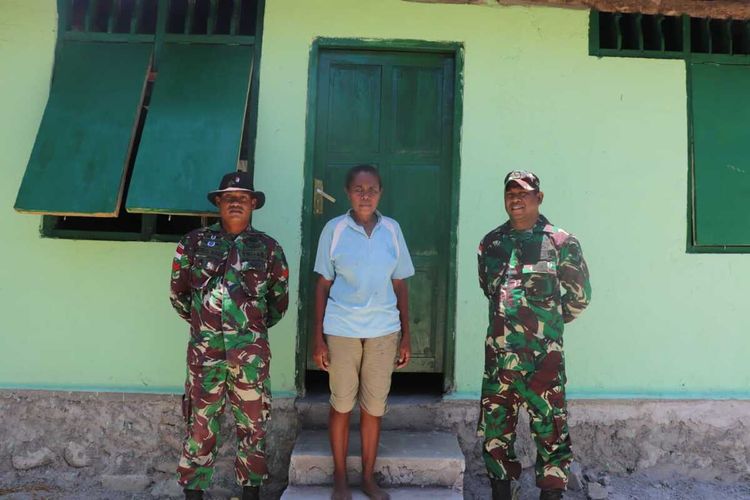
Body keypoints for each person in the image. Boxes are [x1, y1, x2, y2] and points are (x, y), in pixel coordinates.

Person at [169, 171, 289, 500]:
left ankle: (250, 494)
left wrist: (247, 332)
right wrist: (205, 328)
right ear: (219, 203)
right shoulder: (192, 244)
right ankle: (193, 494)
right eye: (229, 197)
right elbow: (179, 296)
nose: (236, 202)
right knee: (199, 424)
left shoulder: (268, 248)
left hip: (249, 356)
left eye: (243, 197)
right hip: (204, 357)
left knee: (253, 426)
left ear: (253, 204)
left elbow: (278, 302)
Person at [477, 170, 591, 500]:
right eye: (510, 193)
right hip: (499, 363)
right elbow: (489, 290)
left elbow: (578, 298)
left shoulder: (561, 243)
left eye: (524, 193)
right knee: (496, 434)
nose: (516, 198)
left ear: (538, 198)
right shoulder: (491, 244)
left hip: (544, 363)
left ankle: (551, 495)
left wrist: (546, 330)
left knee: (552, 432)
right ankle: (501, 491)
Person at [312, 164, 415, 500]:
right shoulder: (334, 229)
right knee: (341, 404)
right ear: (347, 193)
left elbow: (400, 284)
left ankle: (368, 479)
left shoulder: (392, 230)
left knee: (373, 407)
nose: (365, 195)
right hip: (342, 328)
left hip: (383, 330)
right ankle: (340, 478)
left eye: (372, 189)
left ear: (381, 192)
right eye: (359, 189)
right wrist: (318, 337)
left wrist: (406, 334)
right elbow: (322, 285)